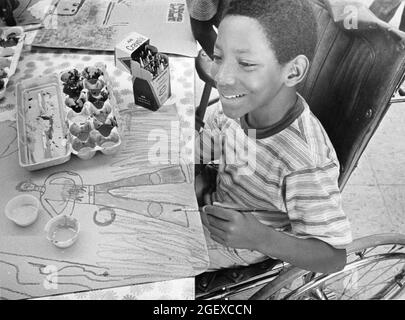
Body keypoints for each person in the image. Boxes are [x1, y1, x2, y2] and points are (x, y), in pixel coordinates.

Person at [195, 0, 352, 273]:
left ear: (293, 71)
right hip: (219, 198)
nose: (221, 77)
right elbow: (209, 144)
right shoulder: (240, 107)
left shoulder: (304, 161)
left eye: (245, 63)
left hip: (241, 242)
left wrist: (260, 237)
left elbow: (334, 257)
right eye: (218, 57)